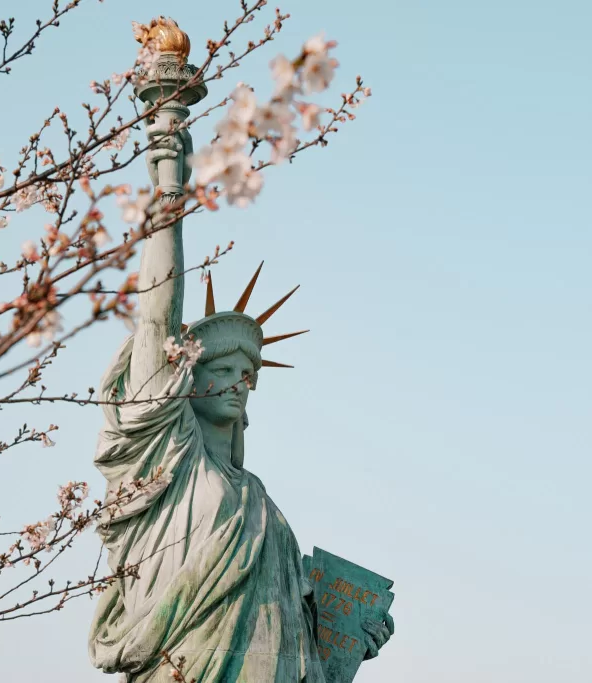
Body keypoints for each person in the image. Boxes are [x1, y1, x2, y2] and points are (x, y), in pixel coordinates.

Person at [88, 120, 391, 682]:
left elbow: (290, 637)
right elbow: (155, 318)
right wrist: (169, 190)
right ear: (183, 381)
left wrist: (348, 635)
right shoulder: (168, 466)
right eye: (222, 370)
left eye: (247, 374)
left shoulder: (258, 499)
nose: (238, 382)